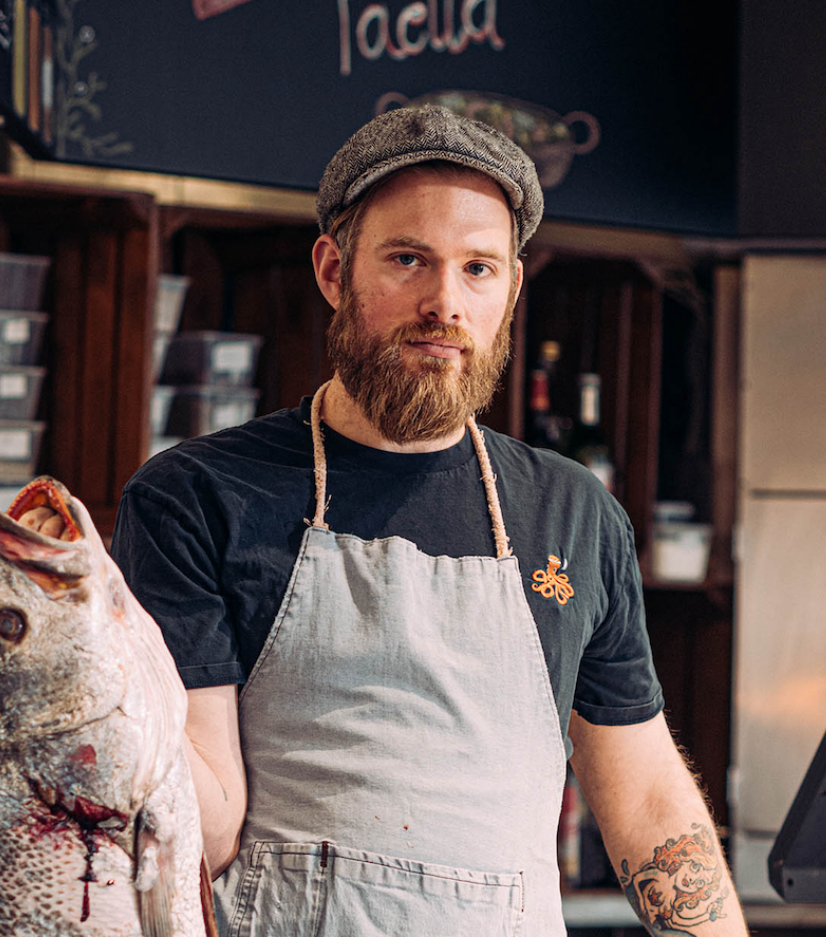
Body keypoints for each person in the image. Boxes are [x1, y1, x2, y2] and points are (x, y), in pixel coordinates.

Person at [110, 105, 746, 937]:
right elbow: (209, 822)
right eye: (409, 260)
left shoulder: (575, 512)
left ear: (512, 290)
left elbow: (651, 806)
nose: (444, 302)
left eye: (479, 269)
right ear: (335, 272)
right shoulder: (199, 496)